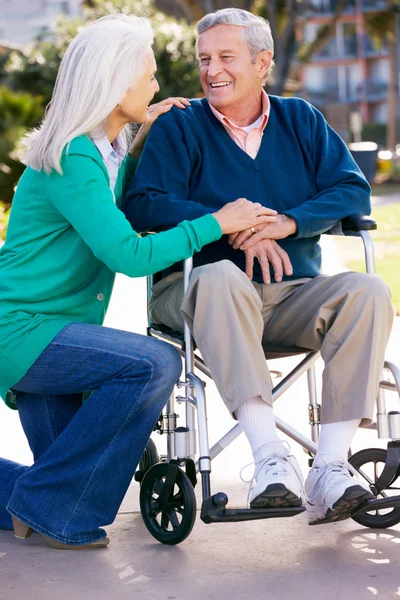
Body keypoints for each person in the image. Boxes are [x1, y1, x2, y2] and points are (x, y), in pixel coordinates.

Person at [0, 13, 275, 550]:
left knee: (56, 477)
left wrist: (133, 127)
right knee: (154, 363)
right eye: (147, 77)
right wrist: (216, 222)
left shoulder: (97, 150)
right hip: (25, 332)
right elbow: (127, 252)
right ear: (114, 82)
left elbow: (113, 191)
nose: (157, 85)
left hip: (53, 330)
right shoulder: (74, 153)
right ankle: (50, 511)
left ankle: (39, 504)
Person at [123, 8, 395, 525]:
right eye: (205, 59)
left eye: (226, 57)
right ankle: (270, 458)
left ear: (263, 61)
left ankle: (331, 469)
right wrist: (228, 222)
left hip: (289, 292)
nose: (212, 70)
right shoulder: (180, 126)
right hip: (195, 292)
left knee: (367, 290)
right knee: (223, 275)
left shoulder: (301, 119)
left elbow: (350, 187)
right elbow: (144, 203)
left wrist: (287, 223)